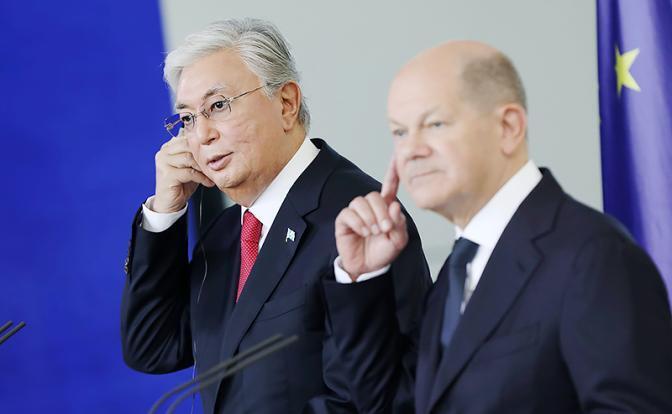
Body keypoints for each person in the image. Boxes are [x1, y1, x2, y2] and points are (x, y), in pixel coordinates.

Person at [323, 40, 672, 413]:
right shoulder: (460, 267)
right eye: (400, 132)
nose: (411, 150)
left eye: (434, 124)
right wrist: (365, 277)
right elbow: (394, 405)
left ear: (508, 127)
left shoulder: (595, 257)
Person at [120, 18, 431, 414]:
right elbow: (152, 345)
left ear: (286, 103)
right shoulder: (225, 234)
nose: (201, 135)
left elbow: (378, 400)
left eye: (218, 106)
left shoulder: (358, 220)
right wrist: (165, 213)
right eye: (187, 119)